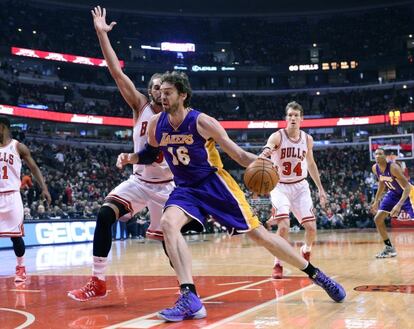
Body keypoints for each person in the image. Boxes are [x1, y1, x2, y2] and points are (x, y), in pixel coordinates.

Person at [117, 71, 345, 322]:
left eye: (168, 92)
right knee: (168, 224)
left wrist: (262, 163)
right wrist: (132, 158)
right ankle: (190, 296)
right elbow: (151, 152)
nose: (162, 96)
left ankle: (315, 274)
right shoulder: (156, 124)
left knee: (260, 235)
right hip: (185, 189)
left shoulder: (202, 122)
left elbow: (237, 154)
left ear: (182, 95)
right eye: (160, 93)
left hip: (214, 184)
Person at [67, 6, 174, 302]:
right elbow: (115, 71)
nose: (157, 91)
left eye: (162, 88)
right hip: (139, 181)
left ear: (169, 92)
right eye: (153, 87)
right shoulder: (139, 106)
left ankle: (186, 288)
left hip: (167, 187)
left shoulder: (177, 117)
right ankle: (98, 281)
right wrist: (102, 34)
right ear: (149, 91)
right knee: (104, 214)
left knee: (170, 242)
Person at [260, 101, 327, 279]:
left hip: (300, 186)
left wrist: (320, 188)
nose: (293, 118)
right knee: (283, 227)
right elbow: (267, 149)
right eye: (290, 115)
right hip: (279, 186)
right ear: (286, 118)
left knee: (311, 228)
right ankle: (278, 263)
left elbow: (311, 163)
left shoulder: (307, 139)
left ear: (302, 119)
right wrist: (265, 153)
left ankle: (306, 250)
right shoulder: (277, 136)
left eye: (296, 115)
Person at [0, 116, 51, 282]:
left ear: (3, 127)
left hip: (12, 195)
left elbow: (34, 168)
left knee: (15, 236)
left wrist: (44, 188)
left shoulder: (18, 147)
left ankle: (21, 267)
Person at [370, 148, 414, 258]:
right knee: (378, 219)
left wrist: (399, 205)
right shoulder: (375, 168)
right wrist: (376, 200)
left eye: (380, 154)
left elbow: (407, 187)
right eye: (376, 154)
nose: (377, 156)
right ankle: (389, 248)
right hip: (393, 193)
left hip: (408, 194)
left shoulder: (393, 167)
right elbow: (381, 183)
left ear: (385, 156)